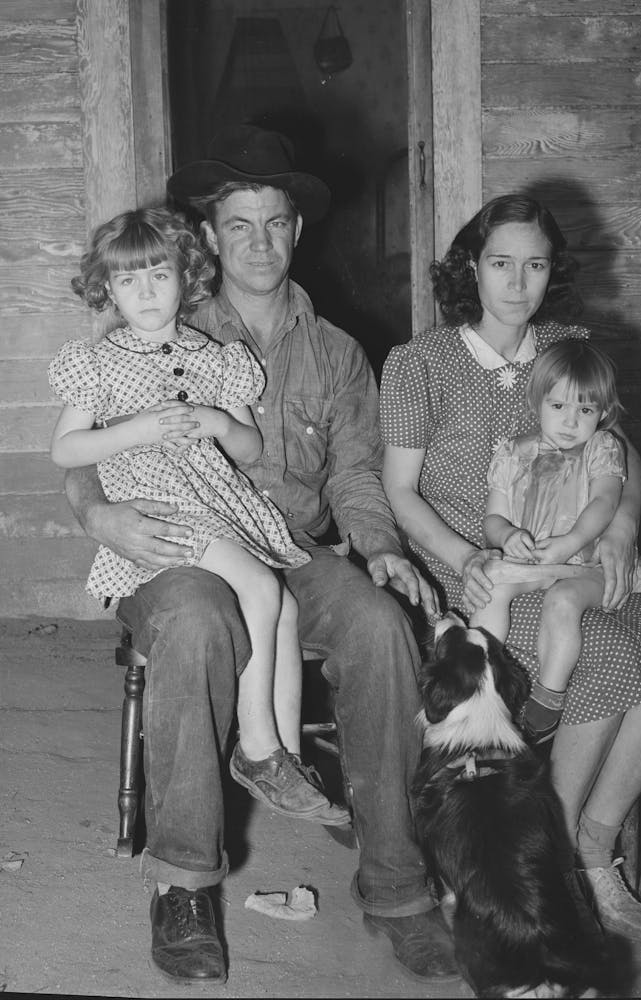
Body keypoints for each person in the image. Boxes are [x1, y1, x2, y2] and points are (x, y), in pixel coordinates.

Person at [63, 126, 457, 986]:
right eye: (239, 225)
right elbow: (85, 443)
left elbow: (356, 475)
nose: (259, 243)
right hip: (174, 548)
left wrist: (382, 551)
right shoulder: (162, 317)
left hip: (290, 548)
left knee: (378, 625)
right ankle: (185, 884)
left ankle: (397, 886)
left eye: (275, 223)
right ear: (208, 236)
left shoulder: (341, 354)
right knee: (200, 620)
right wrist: (104, 520)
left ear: (298, 232)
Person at [380, 194, 641, 943]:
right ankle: (543, 862)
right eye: (501, 263)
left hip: (577, 553)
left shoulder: (571, 343)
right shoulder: (419, 363)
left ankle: (594, 845)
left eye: (535, 264)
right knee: (600, 667)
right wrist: (469, 558)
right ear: (472, 267)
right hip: (475, 567)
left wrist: (621, 530)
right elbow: (399, 491)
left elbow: (619, 455)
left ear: (552, 272)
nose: (518, 282)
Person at [48, 207, 347, 828]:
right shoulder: (99, 363)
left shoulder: (212, 355)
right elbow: (65, 449)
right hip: (161, 500)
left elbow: (250, 448)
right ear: (108, 289)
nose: (147, 293)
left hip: (219, 498)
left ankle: (282, 756)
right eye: (129, 282)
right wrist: (138, 428)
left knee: (284, 606)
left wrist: (215, 422)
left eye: (160, 275)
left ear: (187, 277)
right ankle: (257, 746)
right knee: (263, 587)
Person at [472, 338, 641, 746]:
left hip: (589, 563)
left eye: (584, 410)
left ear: (603, 413)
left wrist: (570, 542)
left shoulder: (603, 449)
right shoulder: (514, 453)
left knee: (563, 601)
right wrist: (509, 535)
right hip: (539, 560)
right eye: (558, 407)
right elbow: (492, 519)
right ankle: (485, 679)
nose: (570, 422)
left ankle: (548, 701)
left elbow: (605, 503)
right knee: (491, 587)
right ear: (537, 403)